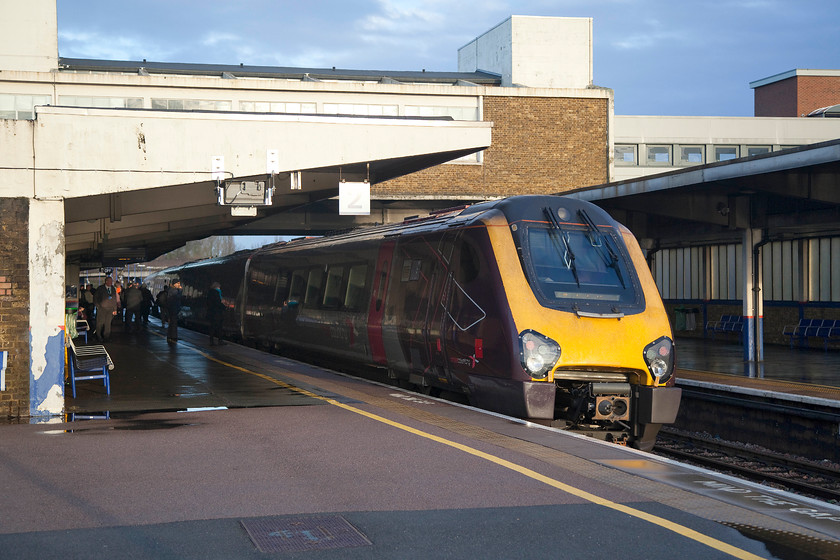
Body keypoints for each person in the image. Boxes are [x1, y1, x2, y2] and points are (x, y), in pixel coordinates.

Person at [93, 276, 119, 342]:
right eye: (110, 281)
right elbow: (95, 298)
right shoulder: (100, 288)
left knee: (108, 323)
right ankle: (98, 336)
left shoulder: (113, 288)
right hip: (102, 309)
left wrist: (115, 309)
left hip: (110, 309)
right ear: (106, 281)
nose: (111, 282)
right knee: (100, 323)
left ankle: (106, 337)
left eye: (111, 281)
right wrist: (98, 306)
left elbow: (114, 299)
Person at [206, 281, 226, 345]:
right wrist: (224, 306)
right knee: (219, 327)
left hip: (212, 312)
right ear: (217, 287)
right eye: (219, 287)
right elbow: (218, 303)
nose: (220, 288)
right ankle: (220, 340)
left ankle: (211, 341)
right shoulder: (217, 293)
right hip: (217, 313)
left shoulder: (210, 293)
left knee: (212, 327)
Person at [166, 280, 183, 344]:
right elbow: (178, 297)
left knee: (171, 323)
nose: (179, 284)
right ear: (174, 284)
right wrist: (181, 291)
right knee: (174, 323)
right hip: (173, 308)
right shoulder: (174, 290)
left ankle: (170, 336)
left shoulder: (171, 290)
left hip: (172, 308)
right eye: (177, 283)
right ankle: (173, 337)